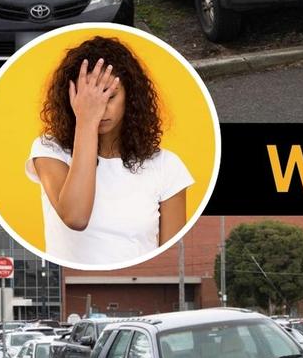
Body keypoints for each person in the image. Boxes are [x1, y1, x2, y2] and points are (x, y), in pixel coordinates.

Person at [26, 36, 193, 267]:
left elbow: (171, 261)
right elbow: (75, 216)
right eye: (90, 98)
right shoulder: (50, 150)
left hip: (137, 288)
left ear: (130, 96)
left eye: (110, 96)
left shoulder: (167, 165)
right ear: (72, 99)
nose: (100, 108)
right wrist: (86, 120)